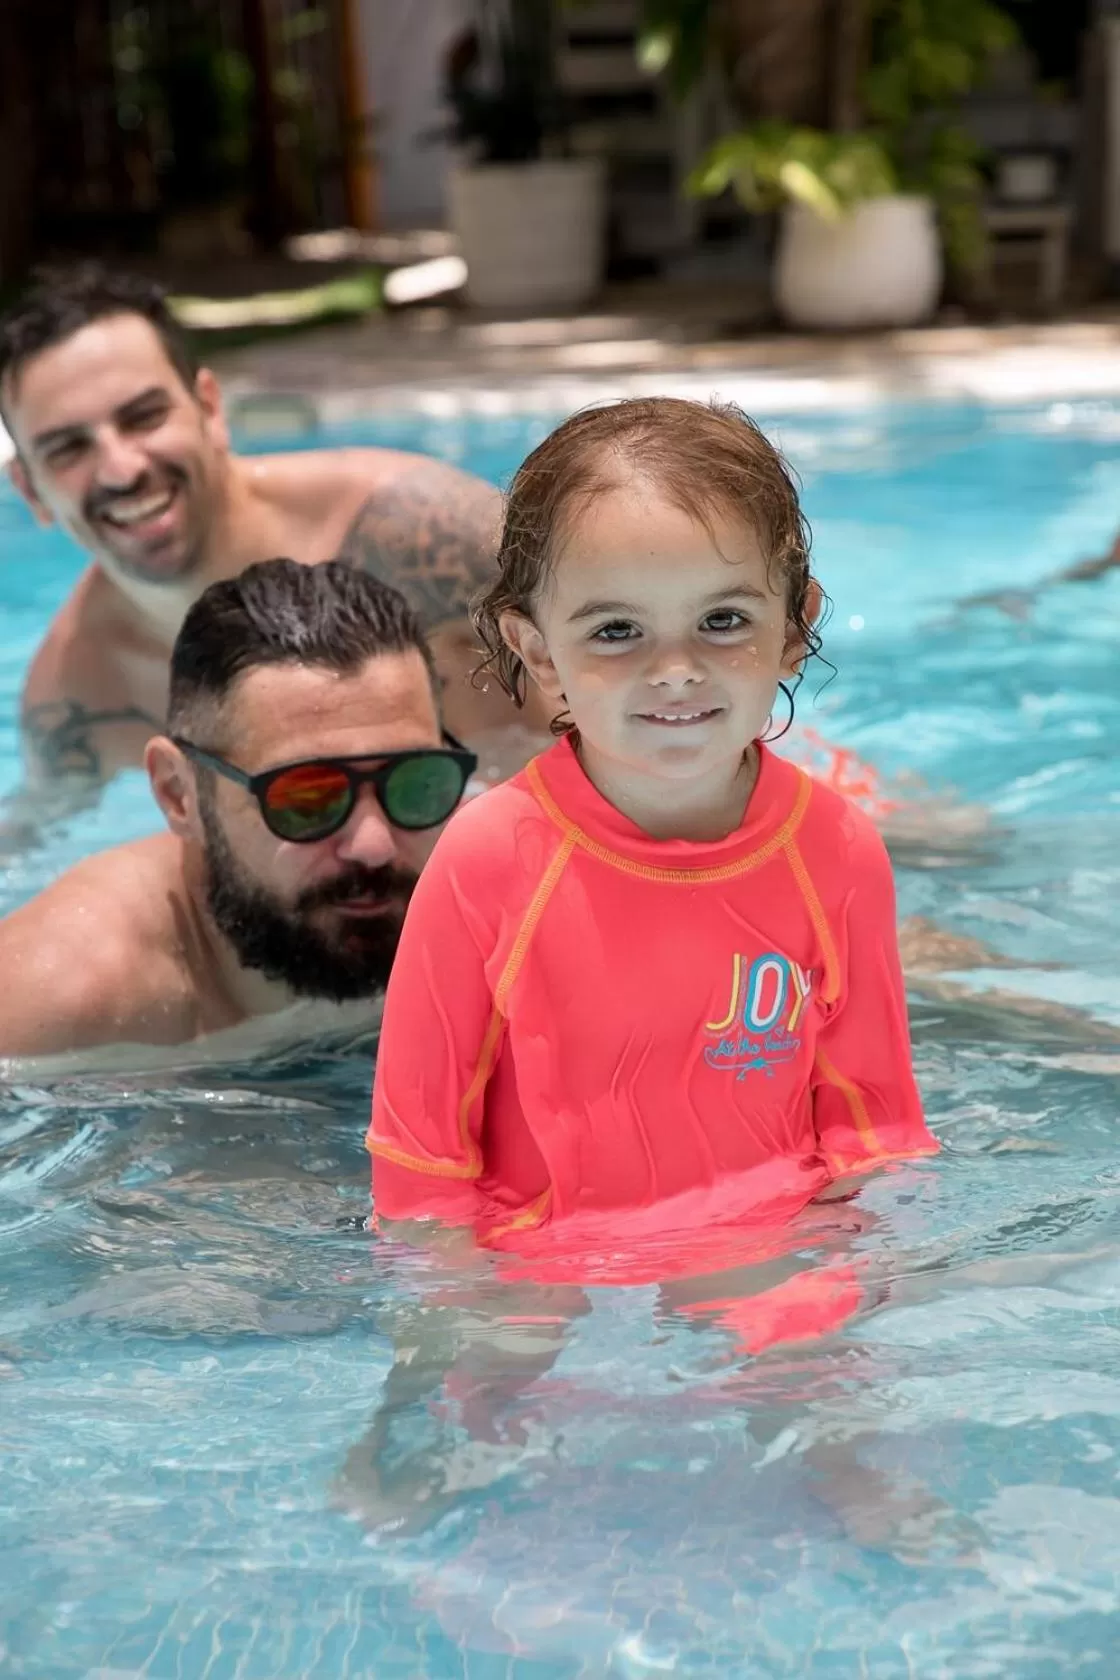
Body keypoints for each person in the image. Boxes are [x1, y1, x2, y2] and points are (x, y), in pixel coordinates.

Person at [367, 396, 938, 1260]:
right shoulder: (489, 862)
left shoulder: (837, 852)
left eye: (722, 620)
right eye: (618, 630)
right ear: (539, 653)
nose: (676, 671)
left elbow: (874, 1132)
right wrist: (476, 1322)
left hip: (770, 1249)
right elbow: (420, 1165)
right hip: (544, 1268)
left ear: (795, 626)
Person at [0, 263, 542, 819]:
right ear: (28, 488)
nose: (120, 470)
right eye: (67, 448)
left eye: (144, 417)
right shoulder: (77, 693)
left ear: (209, 407)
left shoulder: (423, 536)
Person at [0, 559, 475, 1067]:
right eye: (307, 796)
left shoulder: (498, 901)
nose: (375, 845)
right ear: (178, 794)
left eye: (415, 782)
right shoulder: (56, 1006)